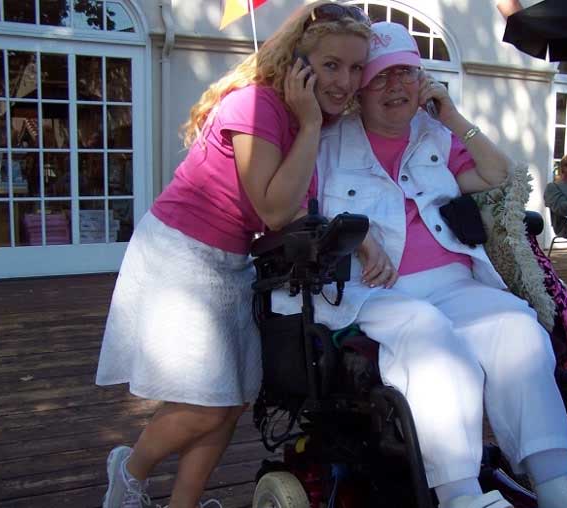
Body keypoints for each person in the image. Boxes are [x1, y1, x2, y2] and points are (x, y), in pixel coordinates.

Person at [277, 21, 567, 508]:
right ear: (359, 92)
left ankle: (555, 479)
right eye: (381, 78)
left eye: (406, 74)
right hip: (374, 290)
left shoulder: (435, 134)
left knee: (518, 328)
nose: (396, 88)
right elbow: (295, 213)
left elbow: (498, 175)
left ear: (422, 82)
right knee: (429, 337)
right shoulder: (328, 144)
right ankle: (459, 494)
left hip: (455, 281)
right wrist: (361, 239)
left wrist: (452, 115)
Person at [94, 3, 371, 508]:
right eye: (332, 65)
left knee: (230, 402)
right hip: (181, 254)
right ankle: (128, 473)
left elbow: (304, 205)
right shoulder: (258, 105)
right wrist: (309, 127)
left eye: (356, 68)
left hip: (232, 262)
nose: (346, 81)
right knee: (205, 405)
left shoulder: (310, 119)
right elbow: (273, 207)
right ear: (299, 62)